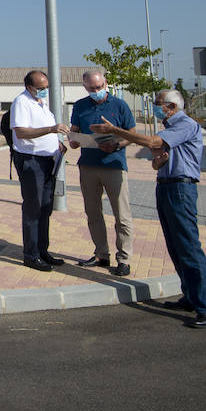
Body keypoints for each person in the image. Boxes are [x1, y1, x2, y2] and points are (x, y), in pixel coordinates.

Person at [94, 89, 206, 327]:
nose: (155, 107)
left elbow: (153, 142)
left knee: (189, 247)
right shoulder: (170, 127)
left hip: (181, 189)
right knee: (175, 246)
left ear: (171, 106)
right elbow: (157, 158)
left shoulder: (184, 124)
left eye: (158, 103)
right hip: (166, 186)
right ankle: (191, 296)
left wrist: (116, 131)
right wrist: (158, 162)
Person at [69, 70, 136, 275]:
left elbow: (132, 134)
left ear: (105, 83)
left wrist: (117, 145)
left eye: (99, 87)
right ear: (85, 87)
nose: (96, 91)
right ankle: (101, 254)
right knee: (93, 212)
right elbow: (75, 131)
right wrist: (74, 140)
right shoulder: (80, 106)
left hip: (114, 165)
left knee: (121, 215)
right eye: (91, 88)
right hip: (88, 165)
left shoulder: (120, 105)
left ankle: (124, 259)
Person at [9, 70, 70, 271]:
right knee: (33, 208)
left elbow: (45, 128)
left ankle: (43, 251)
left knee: (45, 207)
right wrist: (52, 130)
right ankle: (31, 254)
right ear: (29, 87)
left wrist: (57, 143)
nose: (44, 91)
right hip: (31, 161)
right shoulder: (22, 102)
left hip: (48, 160)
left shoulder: (41, 103)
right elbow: (21, 131)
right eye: (40, 88)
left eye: (46, 87)